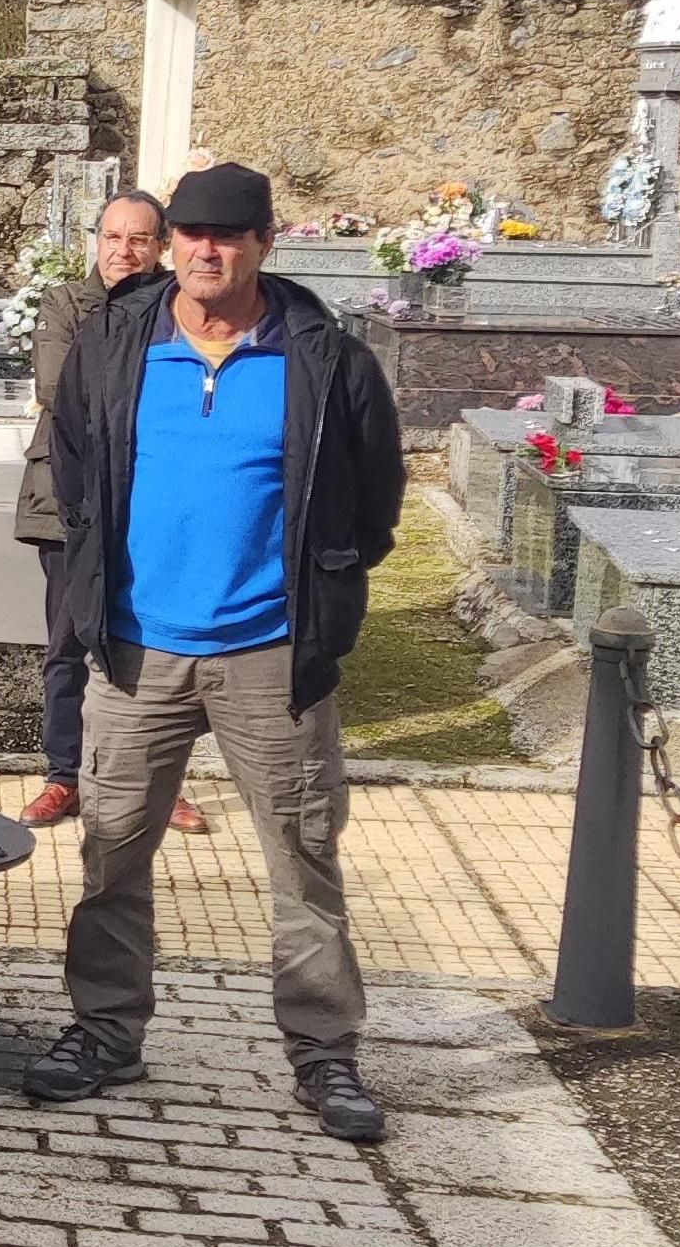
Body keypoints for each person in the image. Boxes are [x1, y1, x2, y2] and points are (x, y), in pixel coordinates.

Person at [26, 161, 406, 1143]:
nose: (206, 250)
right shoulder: (114, 344)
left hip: (269, 657)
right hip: (136, 652)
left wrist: (319, 591)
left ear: (264, 244)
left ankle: (324, 1053)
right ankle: (104, 1031)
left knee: (302, 860)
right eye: (190, 232)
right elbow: (72, 465)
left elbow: (371, 501)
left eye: (228, 235)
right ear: (168, 242)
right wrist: (92, 583)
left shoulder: (323, 358)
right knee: (110, 855)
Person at [13, 190, 206, 839]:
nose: (124, 251)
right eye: (113, 238)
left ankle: (157, 785)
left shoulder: (186, 313)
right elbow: (63, 389)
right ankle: (64, 774)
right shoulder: (66, 304)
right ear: (97, 241)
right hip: (70, 502)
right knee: (68, 644)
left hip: (155, 502)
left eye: (139, 240)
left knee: (156, 650)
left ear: (160, 247)